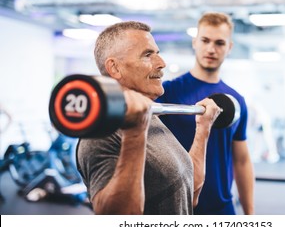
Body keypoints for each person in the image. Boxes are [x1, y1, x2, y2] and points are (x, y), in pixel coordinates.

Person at [76, 21, 222, 215]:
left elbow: (190, 191)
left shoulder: (151, 116)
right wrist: (135, 135)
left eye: (157, 53)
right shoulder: (102, 133)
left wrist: (203, 129)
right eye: (147, 55)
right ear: (115, 68)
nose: (161, 63)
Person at [156, 12, 255, 215]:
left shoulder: (237, 101)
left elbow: (242, 161)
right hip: (178, 207)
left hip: (222, 208)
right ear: (195, 42)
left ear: (229, 47)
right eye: (205, 40)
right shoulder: (167, 92)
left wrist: (250, 215)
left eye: (219, 43)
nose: (211, 49)